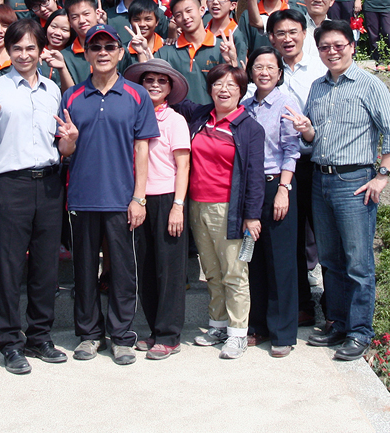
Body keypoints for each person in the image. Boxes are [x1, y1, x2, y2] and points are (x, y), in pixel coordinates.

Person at [295, 20, 390, 361]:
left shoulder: (370, 85)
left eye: (338, 45)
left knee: (358, 262)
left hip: (354, 182)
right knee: (330, 260)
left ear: (352, 46)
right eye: (325, 47)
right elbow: (313, 138)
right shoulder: (317, 87)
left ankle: (359, 332)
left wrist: (382, 175)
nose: (332, 52)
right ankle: (338, 323)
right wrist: (307, 131)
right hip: (321, 179)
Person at [0, 19, 67, 375]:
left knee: (45, 265)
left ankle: (40, 336)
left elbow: (60, 137)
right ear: (6, 52)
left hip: (50, 183)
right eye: (17, 48)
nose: (24, 55)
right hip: (10, 185)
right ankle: (9, 341)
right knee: (9, 267)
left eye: (30, 48)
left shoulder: (52, 89)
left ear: (41, 51)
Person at [57, 24, 159, 366]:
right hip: (81, 197)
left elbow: (142, 148)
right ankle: (89, 334)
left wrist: (139, 198)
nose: (102, 52)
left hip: (122, 198)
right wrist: (68, 141)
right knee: (84, 270)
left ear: (120, 52)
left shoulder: (136, 95)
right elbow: (64, 150)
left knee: (124, 271)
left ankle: (121, 336)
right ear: (86, 54)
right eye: (95, 47)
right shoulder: (72, 97)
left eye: (109, 46)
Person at [173, 64, 265, 360]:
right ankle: (218, 325)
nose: (224, 90)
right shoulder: (201, 116)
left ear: (242, 92)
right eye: (217, 84)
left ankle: (238, 333)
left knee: (234, 272)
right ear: (210, 89)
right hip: (197, 205)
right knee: (212, 271)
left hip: (229, 209)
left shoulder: (249, 128)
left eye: (231, 86)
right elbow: (174, 96)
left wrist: (252, 216)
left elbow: (255, 177)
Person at [122, 59, 190, 360]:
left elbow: (183, 166)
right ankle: (155, 329)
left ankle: (169, 335)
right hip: (138, 199)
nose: (154, 85)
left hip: (167, 198)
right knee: (146, 268)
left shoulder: (175, 120)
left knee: (169, 271)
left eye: (162, 81)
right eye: (149, 79)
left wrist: (178, 206)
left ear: (170, 88)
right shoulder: (133, 116)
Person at [264, 9, 328, 330]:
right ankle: (302, 305)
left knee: (324, 236)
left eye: (293, 32)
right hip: (281, 167)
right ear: (271, 38)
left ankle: (333, 308)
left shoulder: (319, 68)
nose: (287, 38)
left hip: (314, 161)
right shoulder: (266, 71)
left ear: (305, 33)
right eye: (280, 33)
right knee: (291, 238)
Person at [241, 46, 302, 357]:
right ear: (250, 72)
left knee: (280, 261)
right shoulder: (244, 105)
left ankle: (282, 333)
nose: (264, 72)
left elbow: (292, 150)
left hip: (276, 184)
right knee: (254, 260)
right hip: (249, 188)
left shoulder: (285, 103)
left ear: (279, 73)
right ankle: (258, 325)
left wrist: (283, 189)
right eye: (258, 67)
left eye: (270, 67)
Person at [156, 0, 235, 103]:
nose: (185, 17)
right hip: (177, 113)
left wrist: (232, 62)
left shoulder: (222, 48)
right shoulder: (165, 53)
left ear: (202, 10)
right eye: (178, 15)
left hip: (213, 113)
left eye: (189, 11)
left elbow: (236, 88)